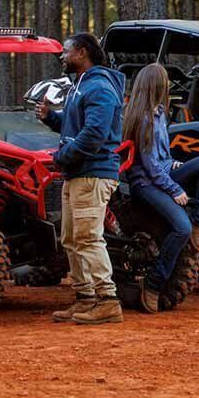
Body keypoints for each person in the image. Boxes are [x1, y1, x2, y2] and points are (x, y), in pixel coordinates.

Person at [37, 31, 127, 326]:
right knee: (72, 238)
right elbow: (80, 126)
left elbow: (95, 134)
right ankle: (86, 298)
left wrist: (62, 157)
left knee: (88, 237)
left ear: (82, 53)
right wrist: (52, 118)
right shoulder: (83, 86)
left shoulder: (99, 87)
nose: (62, 56)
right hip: (79, 173)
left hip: (92, 173)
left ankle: (108, 300)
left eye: (66, 51)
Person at [123, 64, 199, 313]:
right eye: (165, 81)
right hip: (145, 184)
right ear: (155, 85)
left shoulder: (159, 113)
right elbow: (149, 166)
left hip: (161, 173)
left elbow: (160, 159)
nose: (169, 85)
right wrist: (174, 189)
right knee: (181, 227)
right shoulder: (142, 117)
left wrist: (174, 164)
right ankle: (154, 284)